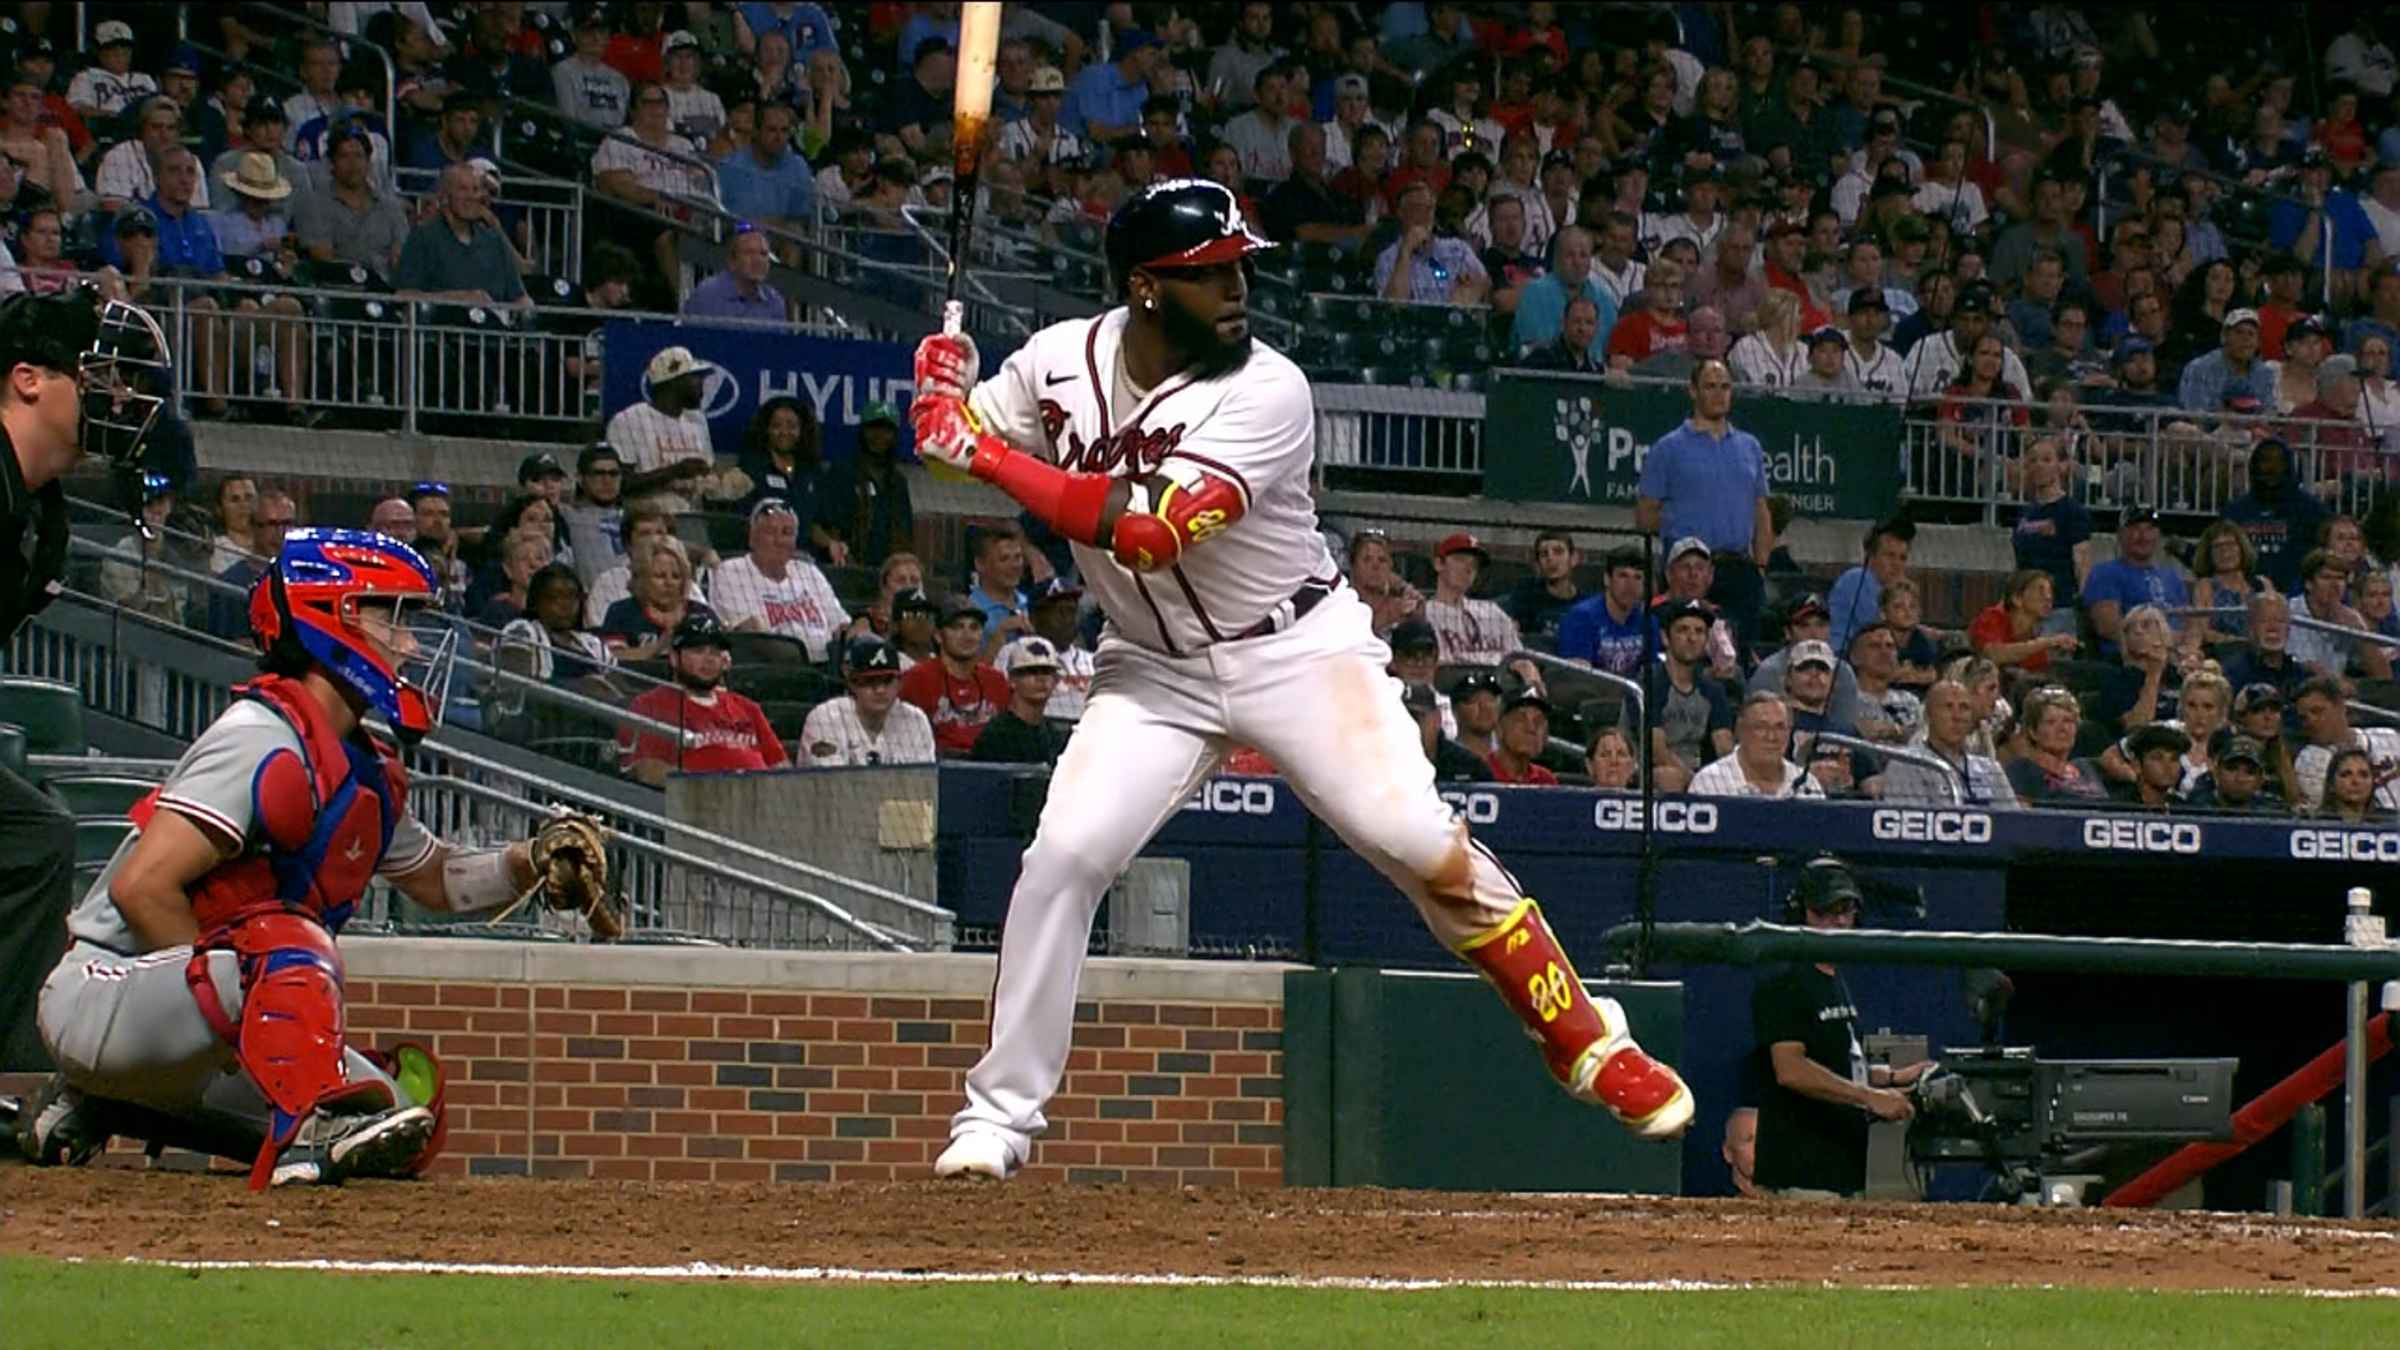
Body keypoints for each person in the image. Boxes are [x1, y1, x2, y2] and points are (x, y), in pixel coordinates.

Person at [907, 179, 1693, 1179]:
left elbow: (1147, 530)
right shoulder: (1055, 362)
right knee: (1064, 856)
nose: (1240, 288)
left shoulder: (1267, 388)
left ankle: (1585, 1037)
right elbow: (956, 440)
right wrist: (942, 398)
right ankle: (999, 1117)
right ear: (1147, 290)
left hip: (1297, 650)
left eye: (1242, 267)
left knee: (1417, 843)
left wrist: (977, 450)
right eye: (1213, 274)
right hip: (1153, 670)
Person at [13, 524, 615, 1185]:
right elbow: (142, 889)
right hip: (108, 992)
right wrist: (227, 1017)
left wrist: (533, 860)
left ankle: (116, 1104)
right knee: (281, 941)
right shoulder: (258, 736)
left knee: (402, 1113)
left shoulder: (359, 762)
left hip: (193, 1014)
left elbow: (439, 880)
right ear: (338, 617)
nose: (411, 644)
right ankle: (125, 1085)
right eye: (396, 616)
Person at [0, 292, 172, 1073]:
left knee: (36, 837)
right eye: (96, 376)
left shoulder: (44, 512)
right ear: (28, 380)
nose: (118, 399)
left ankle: (12, 1073)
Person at [1752, 858, 1931, 1199]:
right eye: (1824, 912)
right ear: (1800, 913)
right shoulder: (1784, 981)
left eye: (1844, 911)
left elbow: (1837, 1061)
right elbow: (1790, 1069)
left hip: (1841, 1171)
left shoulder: (1834, 980)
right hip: (1802, 1174)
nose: (1836, 922)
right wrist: (1870, 1097)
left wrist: (1892, 1078)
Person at [1636, 360, 1773, 645]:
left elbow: (1761, 510)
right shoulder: (1668, 448)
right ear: (1692, 391)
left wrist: (1760, 568)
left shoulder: (1750, 447)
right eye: (1710, 386)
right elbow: (1646, 516)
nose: (1719, 394)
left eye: (1725, 387)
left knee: (1740, 654)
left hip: (1740, 571)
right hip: (1689, 572)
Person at [618, 613, 788, 785]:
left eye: (715, 652)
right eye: (698, 651)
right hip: (697, 804)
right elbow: (647, 769)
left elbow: (780, 766)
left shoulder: (748, 707)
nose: (709, 660)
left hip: (761, 802)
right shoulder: (650, 705)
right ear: (674, 658)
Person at [708, 500, 848, 660]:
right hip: (770, 669)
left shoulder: (808, 571)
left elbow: (840, 625)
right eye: (770, 531)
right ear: (752, 537)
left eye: (787, 533)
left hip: (825, 667)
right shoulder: (731, 571)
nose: (779, 540)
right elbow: (749, 636)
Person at [392, 162, 529, 309]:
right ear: (444, 196)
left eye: (475, 189)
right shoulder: (423, 237)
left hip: (493, 326)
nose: (471, 196)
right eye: (463, 189)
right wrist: (458, 298)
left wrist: (525, 310)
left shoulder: (494, 240)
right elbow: (403, 295)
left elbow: (520, 297)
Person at [606, 345, 723, 513]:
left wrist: (718, 482)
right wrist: (675, 471)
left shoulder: (697, 420)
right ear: (673, 382)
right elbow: (619, 484)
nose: (701, 384)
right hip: (646, 521)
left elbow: (708, 475)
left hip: (693, 520)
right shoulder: (628, 420)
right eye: (695, 377)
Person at [796, 636, 938, 768]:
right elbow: (832, 786)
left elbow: (922, 783)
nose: (880, 690)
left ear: (900, 683)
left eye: (887, 680)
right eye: (870, 681)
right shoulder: (825, 718)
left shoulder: (914, 720)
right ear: (852, 684)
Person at [898, 598, 1011, 756]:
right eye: (957, 627)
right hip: (939, 770)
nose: (967, 635)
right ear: (938, 635)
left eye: (974, 627)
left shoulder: (996, 681)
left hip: (990, 769)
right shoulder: (916, 679)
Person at [1881, 679, 2021, 806]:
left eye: (1964, 707)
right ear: (1928, 715)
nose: (1957, 716)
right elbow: (1909, 826)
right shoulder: (1907, 764)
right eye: (1948, 706)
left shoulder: (1991, 770)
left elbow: (2012, 823)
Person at [292, 127, 410, 275]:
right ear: (332, 163)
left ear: (368, 162)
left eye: (359, 156)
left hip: (386, 289)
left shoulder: (391, 206)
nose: (352, 163)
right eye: (344, 156)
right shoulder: (313, 205)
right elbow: (322, 258)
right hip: (337, 287)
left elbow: (403, 254)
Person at [2080, 507, 2192, 658]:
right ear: (2120, 534)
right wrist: (2157, 644)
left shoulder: (2172, 577)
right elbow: (2107, 626)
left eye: (2150, 529)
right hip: (2131, 660)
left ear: (2158, 535)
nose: (2143, 536)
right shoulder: (2105, 573)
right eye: (2134, 529)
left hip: (2177, 656)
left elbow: (2187, 621)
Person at [818, 401, 914, 568]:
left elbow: (905, 535)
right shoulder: (841, 473)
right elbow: (826, 524)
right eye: (873, 428)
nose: (880, 436)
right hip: (844, 567)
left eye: (887, 430)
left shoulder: (898, 482)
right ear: (862, 432)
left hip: (886, 574)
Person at [2291, 675, 2400, 814]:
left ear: (2341, 707)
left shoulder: (2389, 737)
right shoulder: (2309, 761)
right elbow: (2335, 806)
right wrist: (2387, 776)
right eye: (2304, 718)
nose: (2310, 721)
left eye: (2317, 711)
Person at [1691, 691, 1828, 799]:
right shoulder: (1709, 782)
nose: (1771, 736)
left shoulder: (1807, 785)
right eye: (1761, 727)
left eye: (1780, 727)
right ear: (1740, 730)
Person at [2289, 546, 2393, 679]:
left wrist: (2360, 635)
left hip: (2338, 695)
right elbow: (2299, 664)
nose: (2334, 585)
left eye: (2340, 578)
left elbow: (2384, 676)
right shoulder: (2289, 613)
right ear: (2309, 583)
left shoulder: (2351, 617)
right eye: (2326, 577)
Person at [1422, 532, 1523, 666]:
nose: (1468, 568)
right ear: (1439, 564)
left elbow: (1519, 658)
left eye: (1474, 564)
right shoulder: (1423, 613)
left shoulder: (1492, 612)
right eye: (1460, 559)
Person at [972, 636, 1073, 765]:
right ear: (1012, 680)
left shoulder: (1055, 737)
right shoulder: (996, 735)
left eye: (1046, 672)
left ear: (1056, 680)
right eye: (1031, 671)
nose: (1041, 678)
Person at [1555, 546, 1654, 677]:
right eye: (1623, 575)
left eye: (1638, 577)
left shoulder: (1648, 621)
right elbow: (1576, 680)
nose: (1630, 584)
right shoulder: (1581, 618)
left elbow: (1652, 673)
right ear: (1607, 579)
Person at [2006, 684, 2109, 805]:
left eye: (2068, 721)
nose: (2062, 729)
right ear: (2033, 732)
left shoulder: (2086, 768)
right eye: (2051, 722)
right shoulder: (2022, 771)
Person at [1826, 519, 1913, 656]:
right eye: (1890, 556)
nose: (1897, 565)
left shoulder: (1894, 592)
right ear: (1870, 557)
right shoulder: (1856, 579)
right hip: (1843, 658)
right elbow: (1886, 626)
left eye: (1902, 558)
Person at [1969, 570, 2078, 675]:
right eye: (2041, 591)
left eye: (2050, 592)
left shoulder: (2035, 643)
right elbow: (1993, 655)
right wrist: (2048, 642)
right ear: (2017, 599)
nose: (2049, 597)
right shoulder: (1992, 617)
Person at [1500, 530, 1583, 644]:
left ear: (1573, 558)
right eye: (1544, 554)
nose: (1550, 558)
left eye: (1558, 552)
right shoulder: (1526, 593)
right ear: (1538, 564)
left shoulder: (1585, 605)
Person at [1404, 680, 1491, 782]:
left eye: (1417, 718)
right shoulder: (1383, 763)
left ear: (1437, 718)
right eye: (1402, 717)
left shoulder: (1468, 765)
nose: (1410, 724)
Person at [2107, 722, 2194, 811]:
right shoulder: (2118, 808)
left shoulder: (2184, 809)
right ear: (2137, 765)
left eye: (2174, 759)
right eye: (2157, 758)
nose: (2168, 766)